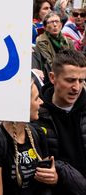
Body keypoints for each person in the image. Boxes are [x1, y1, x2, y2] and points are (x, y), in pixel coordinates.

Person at [0, 80, 58, 195]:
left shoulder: (37, 132)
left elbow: (46, 182)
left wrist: (53, 177)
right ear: (22, 105)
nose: (41, 102)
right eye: (36, 99)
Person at [36, 49, 86, 194]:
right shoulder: (37, 115)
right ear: (52, 77)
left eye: (81, 80)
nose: (76, 88)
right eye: (70, 80)